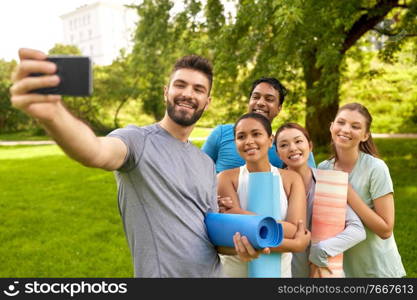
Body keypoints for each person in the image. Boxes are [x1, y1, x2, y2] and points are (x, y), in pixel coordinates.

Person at [9, 48, 260, 277]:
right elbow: (95, 151)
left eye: (198, 89)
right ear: (166, 91)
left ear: (207, 101)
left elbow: (211, 238)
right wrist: (54, 115)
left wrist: (239, 246)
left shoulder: (206, 163)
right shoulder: (137, 141)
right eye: (180, 85)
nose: (187, 94)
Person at [216, 113, 310, 277]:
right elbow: (230, 236)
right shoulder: (225, 178)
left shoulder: (291, 179)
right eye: (241, 136)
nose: (249, 141)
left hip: (279, 273)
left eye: (256, 134)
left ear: (270, 140)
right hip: (236, 273)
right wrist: (293, 244)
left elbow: (295, 230)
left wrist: (238, 215)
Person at [318, 103, 406, 277]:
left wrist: (348, 193)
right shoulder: (323, 169)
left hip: (377, 270)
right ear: (331, 126)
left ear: (365, 135)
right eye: (341, 122)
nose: (345, 129)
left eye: (355, 126)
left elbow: (385, 229)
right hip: (341, 271)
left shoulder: (376, 168)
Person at [275, 122, 366, 277]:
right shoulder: (273, 184)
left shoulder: (327, 182)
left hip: (324, 273)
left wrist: (321, 250)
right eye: (284, 145)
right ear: (277, 153)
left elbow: (357, 230)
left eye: (298, 141)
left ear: (310, 146)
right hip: (284, 271)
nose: (292, 148)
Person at [202, 77, 316, 173]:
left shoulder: (287, 144)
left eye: (269, 99)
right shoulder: (221, 133)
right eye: (255, 97)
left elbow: (308, 183)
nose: (260, 103)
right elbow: (197, 171)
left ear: (279, 109)